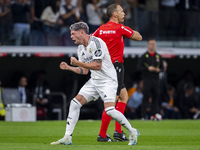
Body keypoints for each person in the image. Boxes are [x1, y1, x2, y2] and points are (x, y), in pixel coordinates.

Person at [50, 22, 140, 146]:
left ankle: (132, 131)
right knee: (75, 103)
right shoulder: (81, 48)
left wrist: (78, 63)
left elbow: (97, 65)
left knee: (109, 110)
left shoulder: (96, 43)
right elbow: (85, 70)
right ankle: (67, 138)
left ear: (82, 33)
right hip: (94, 81)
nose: (71, 37)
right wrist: (69, 68)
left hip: (108, 80)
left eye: (73, 34)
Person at [91, 4, 142, 141]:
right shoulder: (120, 28)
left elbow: (90, 40)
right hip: (116, 67)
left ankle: (118, 132)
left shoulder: (101, 29)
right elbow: (138, 37)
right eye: (121, 12)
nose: (124, 14)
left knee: (124, 97)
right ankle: (102, 135)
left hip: (104, 67)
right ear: (115, 15)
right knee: (111, 102)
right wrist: (128, 31)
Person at [137, 38, 164, 120]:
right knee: (146, 97)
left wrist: (158, 70)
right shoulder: (144, 56)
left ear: (155, 45)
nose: (152, 45)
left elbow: (162, 68)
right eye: (150, 44)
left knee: (155, 97)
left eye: (153, 44)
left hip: (155, 80)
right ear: (148, 45)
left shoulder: (158, 56)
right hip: (147, 80)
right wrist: (148, 69)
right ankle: (143, 116)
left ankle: (153, 115)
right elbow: (138, 67)